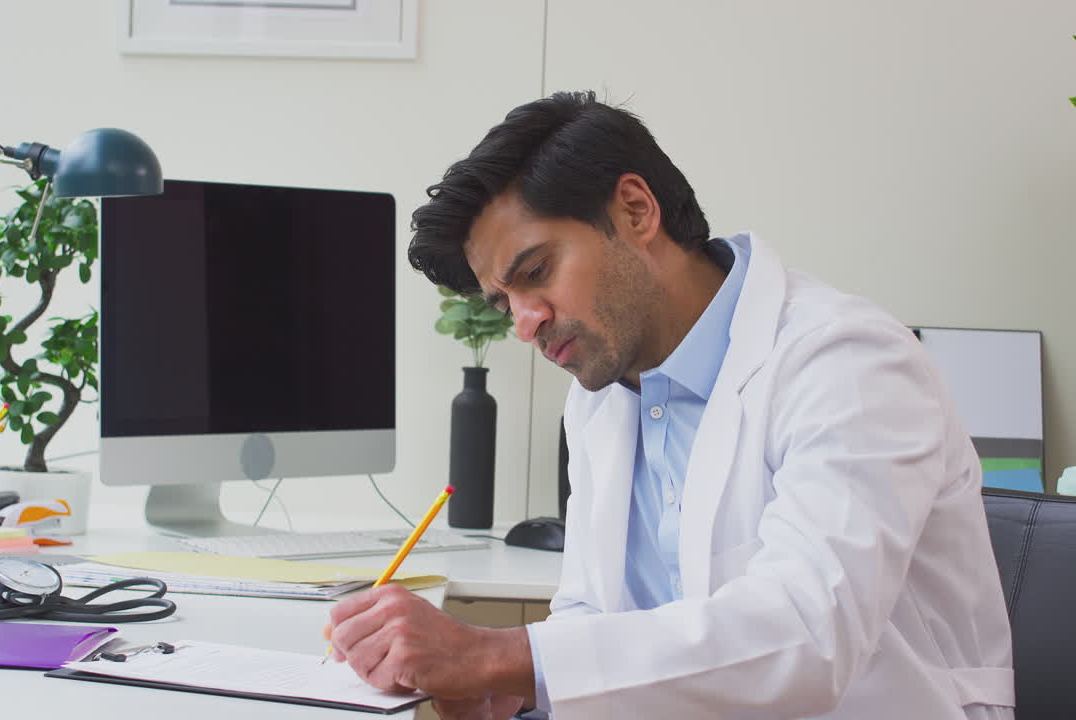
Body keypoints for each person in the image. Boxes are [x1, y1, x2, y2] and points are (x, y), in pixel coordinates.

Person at [325, 91, 1015, 720]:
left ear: (635, 210)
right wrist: (513, 689)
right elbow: (594, 614)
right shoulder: (601, 396)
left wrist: (495, 656)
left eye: (536, 272)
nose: (525, 323)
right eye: (504, 303)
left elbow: (806, 636)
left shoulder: (848, 361)